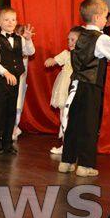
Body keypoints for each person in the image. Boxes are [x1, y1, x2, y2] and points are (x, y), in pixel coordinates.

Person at [58, 0, 110, 177]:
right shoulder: (101, 39)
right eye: (104, 17)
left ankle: (67, 161)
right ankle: (85, 165)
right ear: (96, 17)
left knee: (74, 123)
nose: (106, 20)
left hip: (76, 84)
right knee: (89, 124)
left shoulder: (80, 35)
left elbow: (100, 56)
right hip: (90, 86)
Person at [0, 7, 35, 154]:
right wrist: (5, 72)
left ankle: (7, 143)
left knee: (11, 111)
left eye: (13, 20)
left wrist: (28, 39)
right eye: (6, 20)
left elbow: (30, 52)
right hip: (1, 81)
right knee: (0, 111)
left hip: (15, 81)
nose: (10, 22)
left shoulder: (20, 39)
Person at [44, 26, 85, 154]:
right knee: (64, 116)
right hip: (65, 88)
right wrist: (51, 60)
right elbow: (54, 60)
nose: (70, 43)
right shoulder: (66, 54)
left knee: (76, 117)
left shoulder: (85, 56)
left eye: (73, 40)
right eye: (69, 40)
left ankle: (74, 145)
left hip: (77, 87)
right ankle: (65, 145)